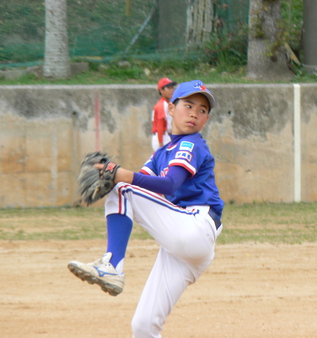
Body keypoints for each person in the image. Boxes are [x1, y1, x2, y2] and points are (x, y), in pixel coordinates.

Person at [68, 80, 223, 338]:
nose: (195, 113)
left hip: (195, 227)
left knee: (122, 188)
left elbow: (169, 183)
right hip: (182, 247)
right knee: (143, 326)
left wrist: (119, 174)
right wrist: (111, 173)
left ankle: (113, 266)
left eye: (203, 109)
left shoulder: (191, 144)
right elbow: (146, 183)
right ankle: (113, 267)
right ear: (170, 109)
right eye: (188, 105)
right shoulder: (162, 153)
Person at [151, 77, 177, 152]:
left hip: (166, 136)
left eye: (172, 87)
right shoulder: (162, 105)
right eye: (168, 88)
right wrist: (160, 144)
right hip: (162, 137)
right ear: (161, 90)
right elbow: (160, 125)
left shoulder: (167, 103)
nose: (172, 90)